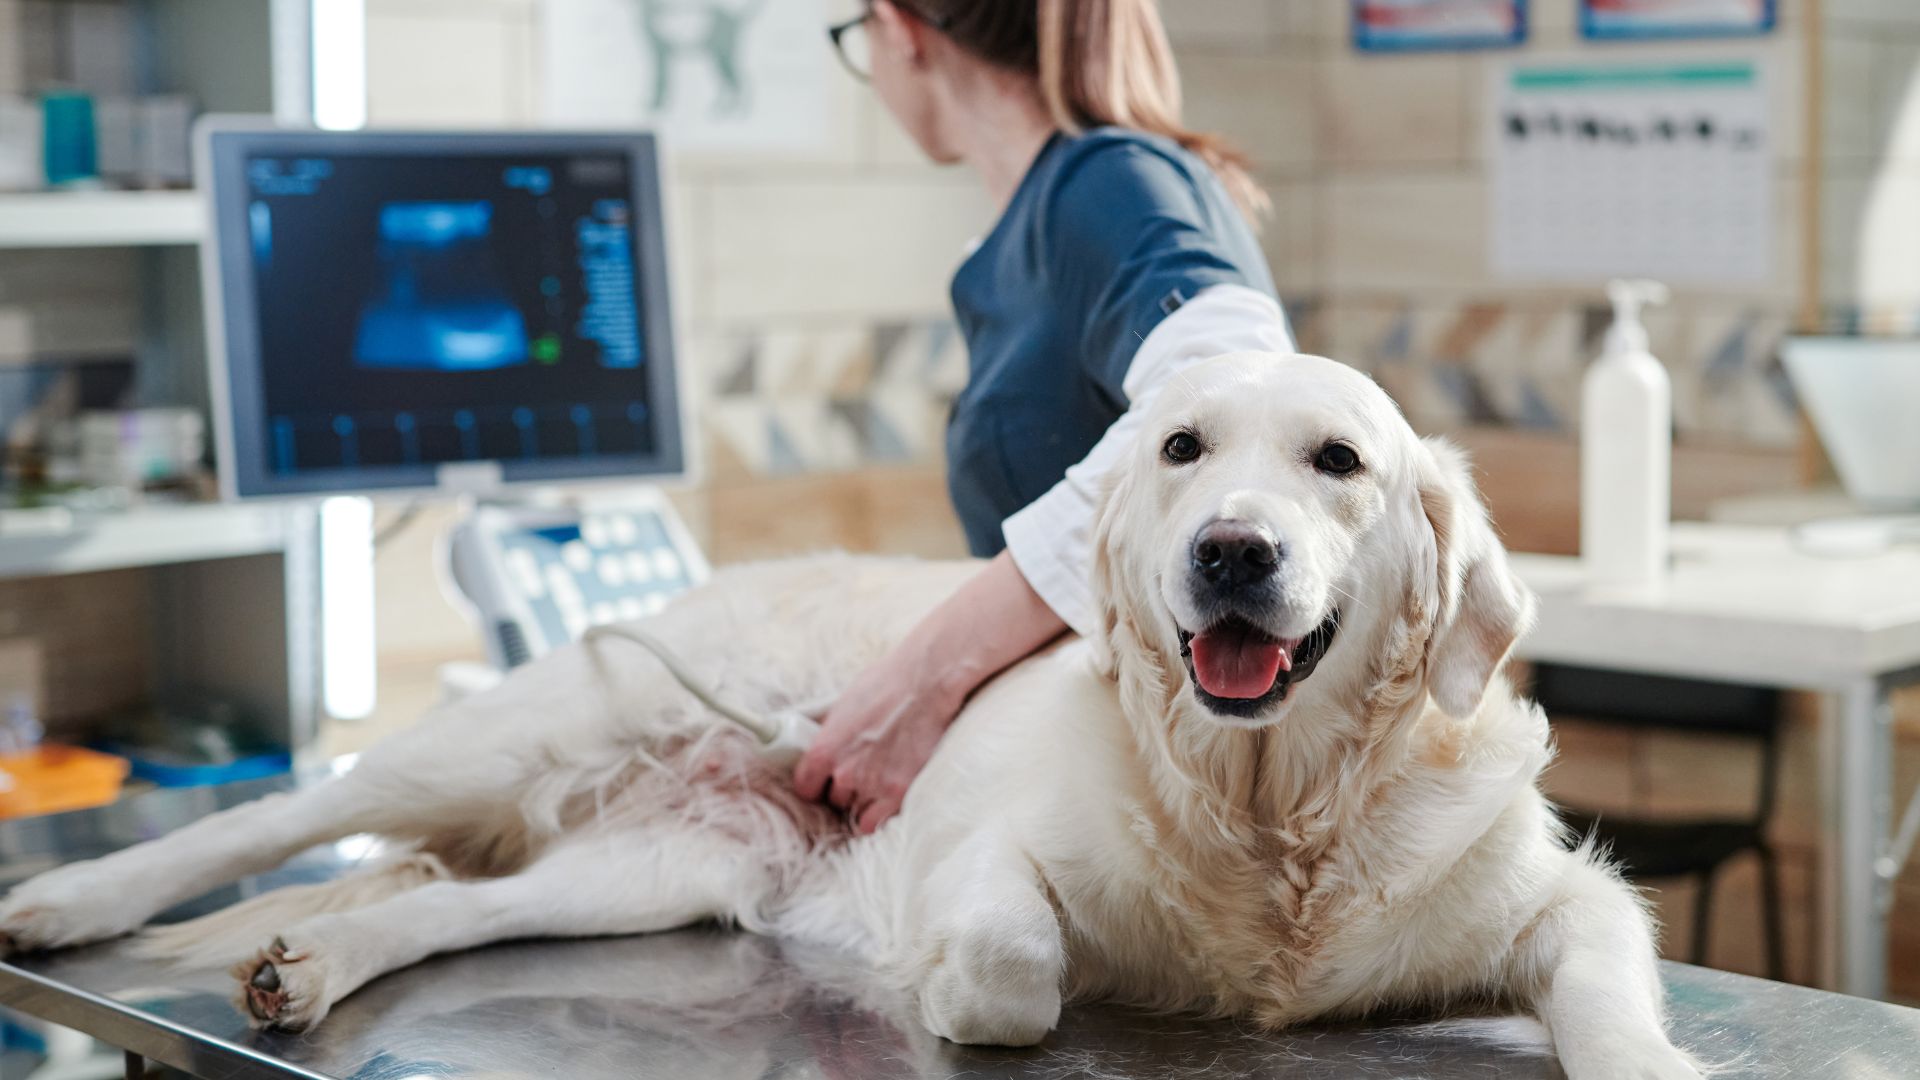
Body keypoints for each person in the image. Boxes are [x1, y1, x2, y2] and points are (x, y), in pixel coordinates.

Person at [795, 0, 1293, 832]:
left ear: (899, 28)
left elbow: (1238, 385)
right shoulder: (1060, 209)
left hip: (1147, 811)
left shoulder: (1104, 182)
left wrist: (922, 676)